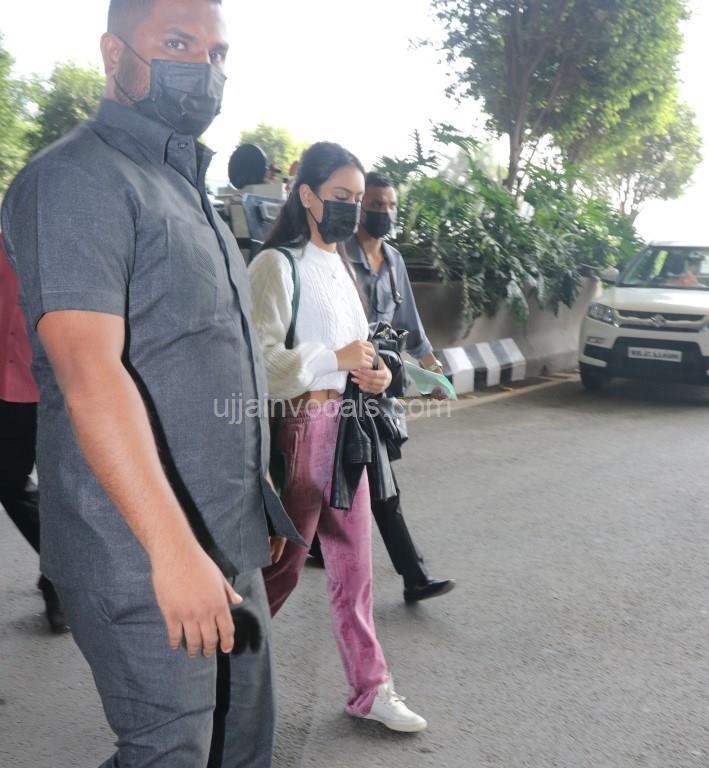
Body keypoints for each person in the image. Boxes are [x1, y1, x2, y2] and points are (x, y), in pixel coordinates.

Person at [1, 1, 300, 766]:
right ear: (113, 54)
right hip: (140, 549)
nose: (204, 67)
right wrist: (173, 553)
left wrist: (256, 494)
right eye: (177, 42)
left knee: (241, 745)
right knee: (170, 751)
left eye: (217, 52)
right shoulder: (75, 179)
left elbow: (207, 361)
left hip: (225, 534)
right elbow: (88, 373)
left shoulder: (188, 190)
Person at [248, 142, 428, 733]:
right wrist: (336, 357)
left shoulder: (343, 266)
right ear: (307, 195)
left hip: (350, 428)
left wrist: (376, 374)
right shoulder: (275, 265)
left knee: (355, 568)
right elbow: (261, 363)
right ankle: (216, 674)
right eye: (341, 196)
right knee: (280, 570)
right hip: (299, 431)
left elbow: (361, 352)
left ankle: (370, 689)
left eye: (357, 197)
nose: (353, 208)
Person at [310, 171, 456, 603]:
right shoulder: (335, 257)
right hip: (343, 384)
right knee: (378, 480)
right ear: (358, 210)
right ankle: (414, 575)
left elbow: (411, 325)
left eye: (390, 206)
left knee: (343, 472)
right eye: (374, 205)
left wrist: (433, 371)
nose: (383, 213)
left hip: (381, 383)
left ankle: (312, 540)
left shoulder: (393, 261)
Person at [0, 239, 68, 634]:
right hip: (9, 389)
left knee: (64, 491)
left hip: (62, 388)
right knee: (10, 484)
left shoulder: (66, 241)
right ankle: (58, 571)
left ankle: (59, 581)